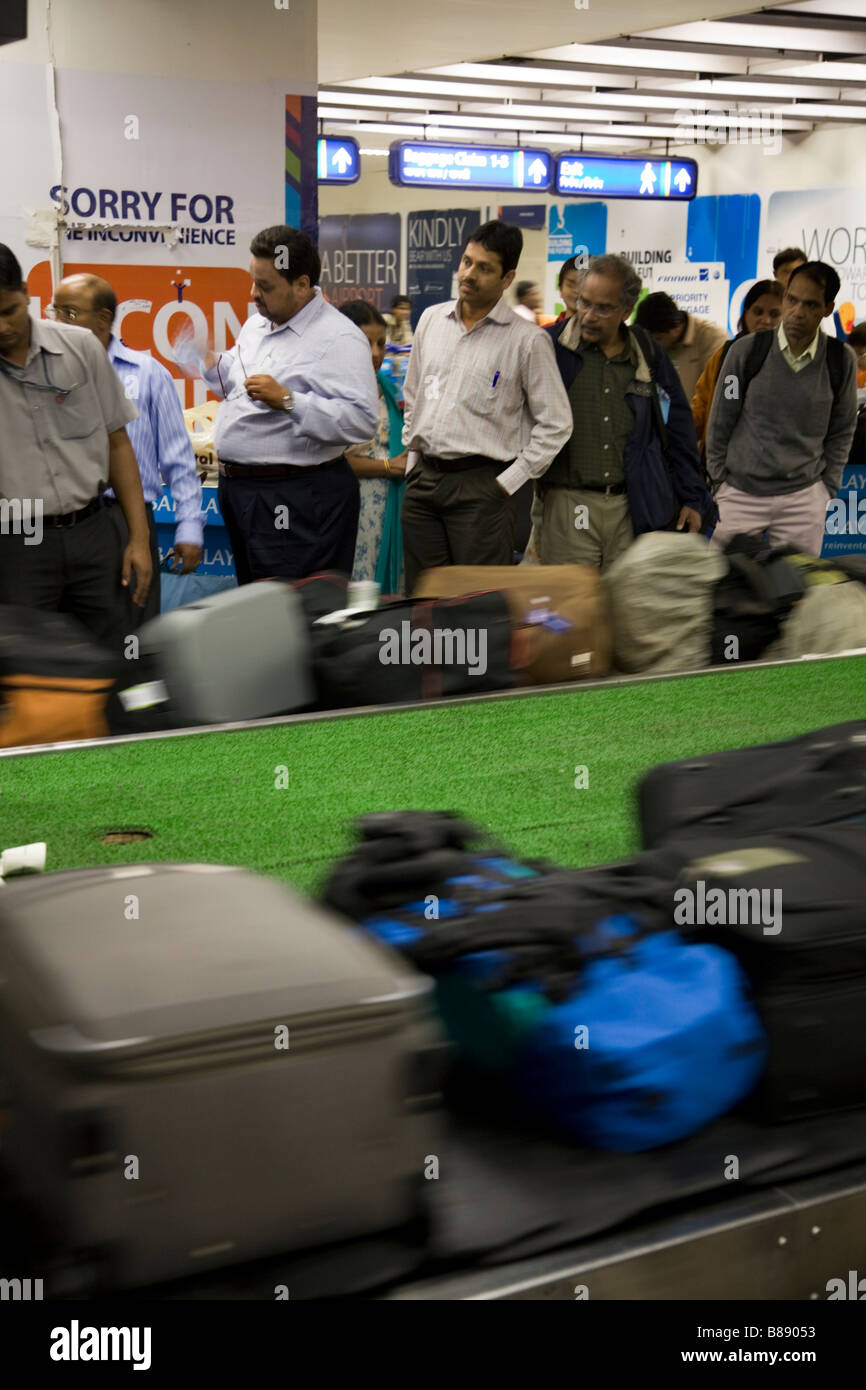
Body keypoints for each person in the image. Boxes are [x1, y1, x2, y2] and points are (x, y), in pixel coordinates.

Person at [197, 225, 379, 583]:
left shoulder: (340, 338)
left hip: (296, 496)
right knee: (258, 605)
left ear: (301, 284)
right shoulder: (256, 326)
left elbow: (362, 421)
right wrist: (210, 364)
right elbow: (237, 382)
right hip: (242, 492)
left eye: (265, 286)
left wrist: (289, 401)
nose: (253, 295)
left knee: (294, 612)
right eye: (252, 282)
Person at [400, 219, 571, 593]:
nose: (469, 274)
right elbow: (413, 394)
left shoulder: (527, 341)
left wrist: (507, 483)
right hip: (423, 482)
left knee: (474, 603)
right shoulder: (431, 320)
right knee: (420, 597)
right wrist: (413, 460)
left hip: (481, 489)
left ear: (507, 278)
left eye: (484, 267)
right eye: (466, 261)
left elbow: (556, 424)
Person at [0, 244, 151, 652]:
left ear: (27, 294)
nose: (1, 327)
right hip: (19, 537)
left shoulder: (82, 347)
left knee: (114, 656)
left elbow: (117, 443)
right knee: (30, 666)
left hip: (94, 531)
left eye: (8, 311)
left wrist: (138, 539)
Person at [529, 254, 711, 569]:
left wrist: (693, 498)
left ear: (626, 310)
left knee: (628, 607)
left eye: (603, 308)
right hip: (569, 502)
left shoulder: (648, 353)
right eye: (584, 303)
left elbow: (678, 428)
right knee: (574, 607)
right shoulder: (550, 348)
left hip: (633, 505)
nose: (588, 316)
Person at [50, 273, 204, 624]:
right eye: (54, 311)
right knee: (72, 632)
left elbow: (178, 460)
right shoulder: (46, 376)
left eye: (69, 313)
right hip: (66, 524)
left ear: (103, 319)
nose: (57, 322)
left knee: (132, 627)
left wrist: (189, 527)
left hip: (127, 522)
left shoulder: (148, 373)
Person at [706, 260, 858, 555]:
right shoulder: (745, 352)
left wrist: (826, 490)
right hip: (739, 493)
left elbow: (842, 428)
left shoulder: (841, 360)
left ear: (828, 308)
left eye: (811, 304)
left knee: (796, 593)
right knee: (721, 588)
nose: (797, 312)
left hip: (804, 498)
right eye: (792, 300)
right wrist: (720, 483)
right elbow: (720, 418)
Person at [339, 299, 408, 589]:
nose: (376, 353)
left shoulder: (389, 389)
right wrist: (387, 466)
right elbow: (328, 462)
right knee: (357, 583)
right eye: (366, 343)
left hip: (390, 507)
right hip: (350, 508)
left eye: (381, 343)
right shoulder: (331, 393)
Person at [691, 280, 783, 456]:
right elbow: (702, 409)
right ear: (746, 313)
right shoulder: (725, 355)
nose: (765, 320)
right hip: (723, 463)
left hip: (773, 465)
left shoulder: (793, 361)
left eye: (774, 314)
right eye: (758, 312)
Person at [634, 292, 728, 401]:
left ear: (677, 326)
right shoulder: (651, 345)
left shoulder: (712, 339)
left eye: (658, 339)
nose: (653, 345)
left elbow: (719, 394)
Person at [554, 257, 581, 323]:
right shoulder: (545, 332)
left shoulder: (607, 332)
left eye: (583, 285)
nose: (577, 291)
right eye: (570, 285)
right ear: (560, 289)